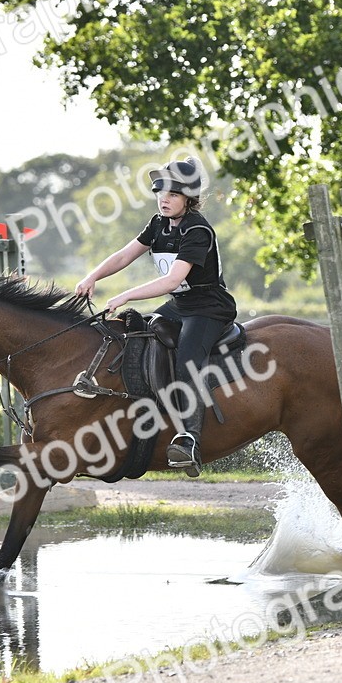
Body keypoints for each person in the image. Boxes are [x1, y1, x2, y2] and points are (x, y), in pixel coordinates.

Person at [74, 157, 237, 477]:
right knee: (137, 338)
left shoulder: (197, 230)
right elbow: (124, 255)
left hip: (208, 308)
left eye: (173, 194)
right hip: (180, 305)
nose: (164, 197)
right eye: (160, 190)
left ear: (188, 200)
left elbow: (172, 281)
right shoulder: (157, 224)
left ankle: (189, 439)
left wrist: (125, 295)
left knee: (187, 359)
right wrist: (93, 276)